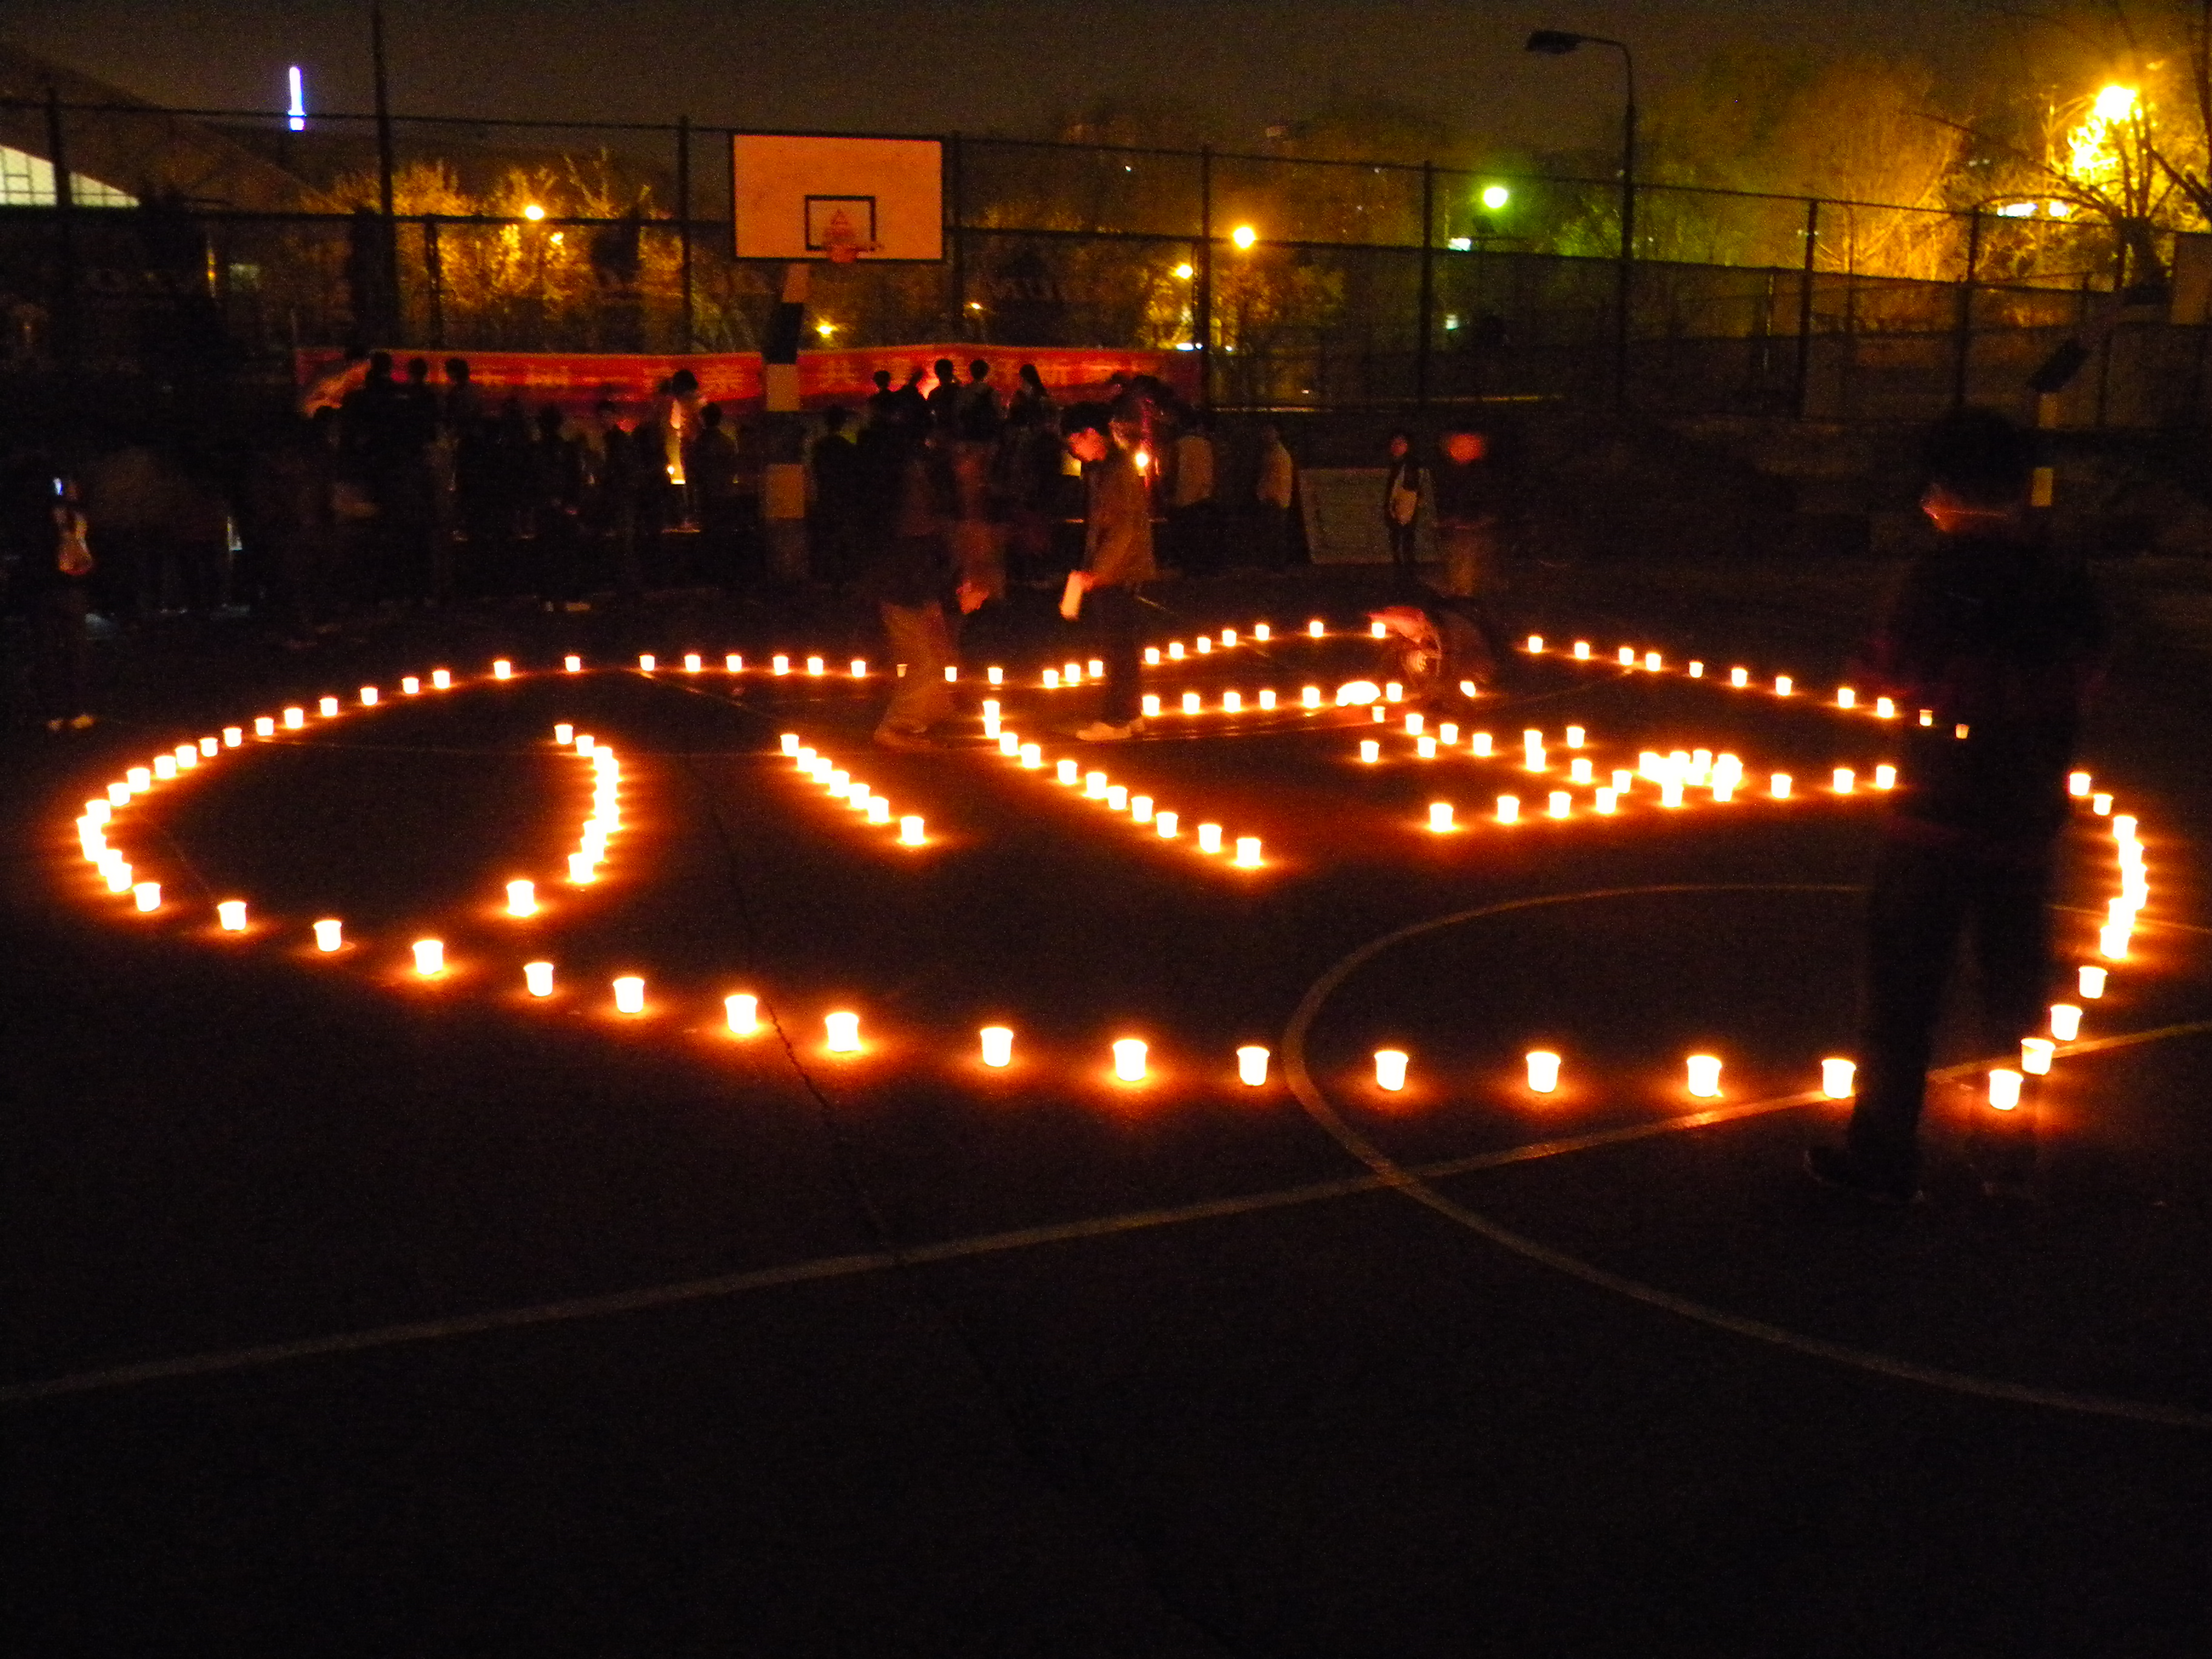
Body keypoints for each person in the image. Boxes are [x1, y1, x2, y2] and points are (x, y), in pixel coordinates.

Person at [1806, 407, 2105, 1205]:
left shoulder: (1936, 577)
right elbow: (2088, 674)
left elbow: (1888, 670)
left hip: (1936, 813)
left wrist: (1925, 685)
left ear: (1943, 490)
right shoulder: (2061, 577)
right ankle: (2007, 1154)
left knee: (1902, 993)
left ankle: (1883, 1157)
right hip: (2026, 815)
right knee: (2013, 992)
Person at [1062, 403, 1156, 742]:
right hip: (1119, 568)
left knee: (1116, 647)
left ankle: (1116, 720)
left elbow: (1122, 529)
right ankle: (1130, 714)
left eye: (1074, 442)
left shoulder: (1115, 471)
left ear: (1091, 434)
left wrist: (1098, 572)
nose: (1073, 451)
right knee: (1123, 646)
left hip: (1118, 570)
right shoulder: (1107, 468)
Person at [1429, 424, 1498, 600]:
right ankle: (1459, 593)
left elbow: (1487, 502)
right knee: (1455, 561)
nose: (1461, 450)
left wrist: (1477, 520)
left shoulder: (1481, 474)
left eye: (1467, 445)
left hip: (1474, 528)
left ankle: (1467, 597)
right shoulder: (1449, 473)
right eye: (1457, 445)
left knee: (1470, 564)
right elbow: (1448, 500)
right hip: (1456, 528)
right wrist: (1446, 519)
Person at [1169, 410, 1218, 575]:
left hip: (1184, 494)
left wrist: (1169, 492)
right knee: (1201, 533)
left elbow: (1174, 470)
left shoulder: (1179, 445)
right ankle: (1202, 567)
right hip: (1203, 493)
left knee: (1186, 534)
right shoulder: (1206, 444)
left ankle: (1189, 567)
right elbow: (1212, 469)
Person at [1381, 427, 1424, 584]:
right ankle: (1405, 576)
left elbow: (1409, 492)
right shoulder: (1398, 465)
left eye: (1400, 443)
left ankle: (1406, 578)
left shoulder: (1408, 466)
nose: (1396, 447)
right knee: (1401, 542)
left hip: (1403, 512)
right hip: (1399, 511)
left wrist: (1401, 512)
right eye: (1394, 443)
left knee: (1404, 542)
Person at [1253, 423, 1295, 570]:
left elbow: (1278, 479)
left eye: (1269, 433)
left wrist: (1268, 495)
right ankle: (1275, 564)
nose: (1265, 436)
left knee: (1275, 533)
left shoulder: (1279, 455)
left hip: (1274, 498)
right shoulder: (1273, 453)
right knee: (1274, 533)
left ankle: (1277, 564)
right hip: (1274, 497)